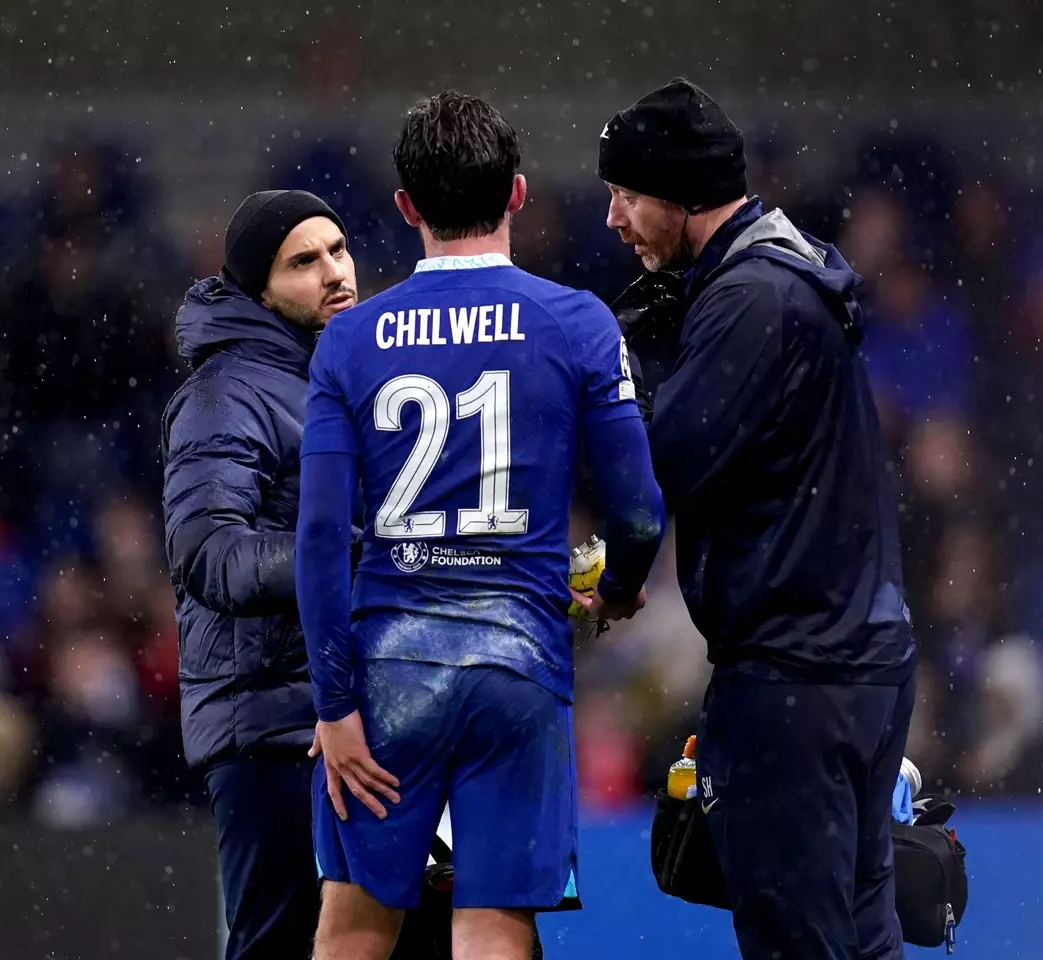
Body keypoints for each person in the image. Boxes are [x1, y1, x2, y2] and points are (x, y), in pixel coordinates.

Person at [295, 91, 666, 960]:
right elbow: (640, 512)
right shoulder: (578, 322)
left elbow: (318, 542)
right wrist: (610, 595)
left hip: (387, 671)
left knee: (351, 929)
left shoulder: (349, 343)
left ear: (406, 208)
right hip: (518, 670)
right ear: (521, 193)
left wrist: (336, 706)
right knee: (494, 928)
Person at [595, 78, 919, 960]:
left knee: (797, 944)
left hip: (795, 679)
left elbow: (666, 462)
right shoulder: (785, 270)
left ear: (682, 194)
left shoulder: (749, 299)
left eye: (627, 195)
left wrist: (629, 376)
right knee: (861, 938)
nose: (614, 219)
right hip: (856, 661)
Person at [160, 189, 357, 960]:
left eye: (338, 250)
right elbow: (209, 553)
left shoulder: (332, 380)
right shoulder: (225, 392)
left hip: (330, 720)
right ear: (258, 289)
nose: (335, 273)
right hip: (270, 729)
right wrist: (356, 556)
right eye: (303, 262)